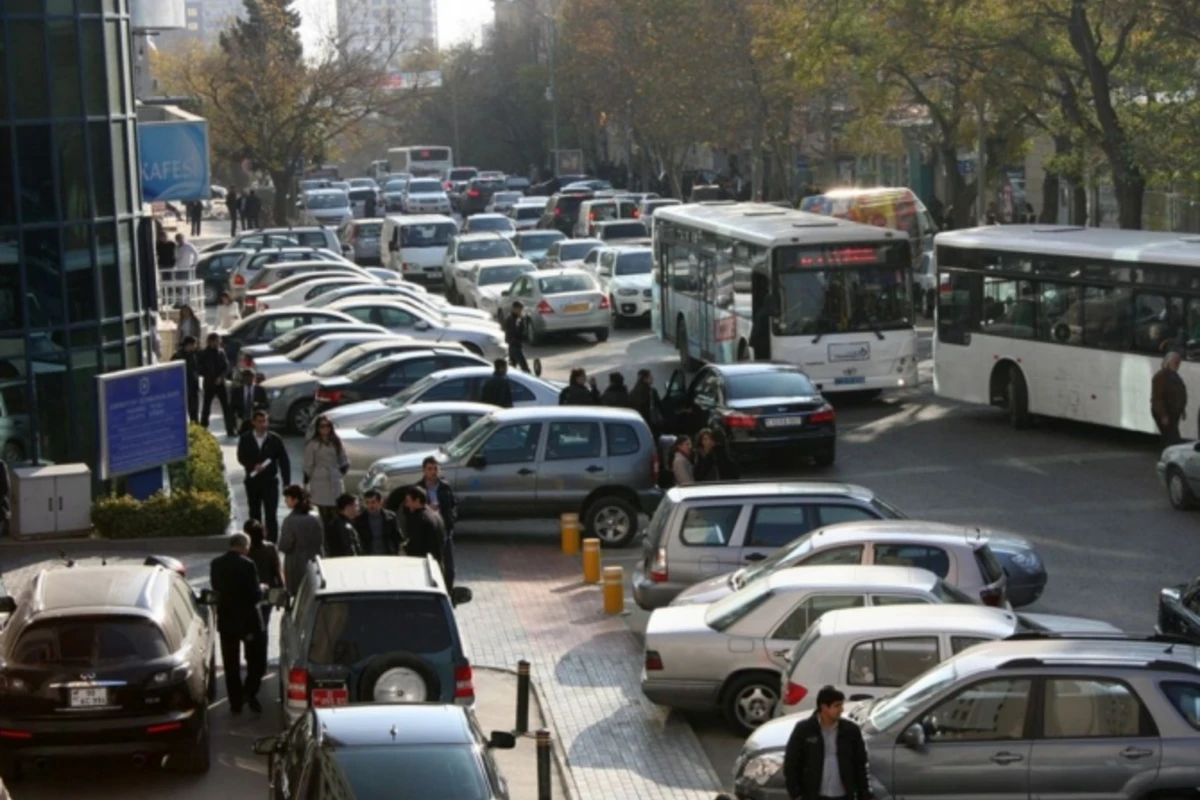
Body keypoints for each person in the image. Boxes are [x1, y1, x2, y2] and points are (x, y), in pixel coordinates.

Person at [208, 532, 266, 714]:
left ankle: (235, 702)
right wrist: (263, 589)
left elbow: (216, 589)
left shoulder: (216, 564)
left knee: (230, 663)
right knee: (256, 660)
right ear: (243, 546)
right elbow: (254, 594)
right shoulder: (247, 564)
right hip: (248, 621)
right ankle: (249, 692)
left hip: (226, 621)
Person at [783, 685, 874, 800]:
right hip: (814, 795)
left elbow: (860, 764)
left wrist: (864, 793)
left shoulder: (851, 731)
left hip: (843, 795)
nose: (841, 709)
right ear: (824, 707)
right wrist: (796, 794)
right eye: (837, 706)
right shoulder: (804, 730)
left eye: (841, 705)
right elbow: (791, 763)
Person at [237, 410, 292, 543]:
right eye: (259, 421)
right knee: (255, 513)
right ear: (253, 422)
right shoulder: (245, 438)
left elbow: (284, 461)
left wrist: (287, 483)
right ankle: (255, 541)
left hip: (270, 482)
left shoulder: (274, 439)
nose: (263, 424)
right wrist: (252, 465)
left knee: (271, 515)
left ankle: (272, 542)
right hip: (253, 481)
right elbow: (241, 457)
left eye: (265, 421)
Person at [420, 456, 458, 590]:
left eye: (435, 468)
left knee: (450, 569)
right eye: (430, 469)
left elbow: (453, 505)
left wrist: (451, 518)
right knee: (433, 567)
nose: (433, 472)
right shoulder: (419, 489)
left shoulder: (445, 487)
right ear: (424, 470)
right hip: (429, 534)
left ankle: (448, 595)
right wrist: (428, 509)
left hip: (445, 531)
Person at [304, 415, 350, 525]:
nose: (325, 428)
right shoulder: (312, 444)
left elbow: (344, 460)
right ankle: (326, 540)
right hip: (319, 481)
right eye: (322, 426)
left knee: (336, 513)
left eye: (327, 426)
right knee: (324, 516)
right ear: (317, 428)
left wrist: (340, 472)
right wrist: (306, 483)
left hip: (334, 479)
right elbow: (308, 465)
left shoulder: (336, 441)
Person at [278, 484, 324, 594]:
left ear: (295, 500)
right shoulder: (316, 516)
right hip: (315, 561)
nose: (285, 501)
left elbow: (285, 545)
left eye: (287, 498)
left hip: (296, 564)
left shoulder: (289, 521)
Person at [244, 519, 283, 635]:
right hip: (268, 591)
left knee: (251, 622)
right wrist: (281, 590)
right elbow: (277, 570)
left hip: (249, 591)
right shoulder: (270, 547)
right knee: (264, 621)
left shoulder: (246, 550)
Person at [401, 485, 446, 571]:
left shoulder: (418, 518)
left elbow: (415, 546)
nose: (407, 504)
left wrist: (404, 548)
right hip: (437, 564)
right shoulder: (435, 515)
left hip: (424, 566)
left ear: (417, 500)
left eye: (408, 500)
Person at [197, 332, 234, 437]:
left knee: (226, 407)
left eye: (219, 341)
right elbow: (200, 369)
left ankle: (230, 429)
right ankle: (203, 429)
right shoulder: (203, 354)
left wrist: (221, 377)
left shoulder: (221, 352)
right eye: (216, 341)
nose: (218, 343)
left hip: (220, 383)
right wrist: (210, 376)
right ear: (210, 341)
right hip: (209, 384)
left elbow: (227, 367)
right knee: (206, 407)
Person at [1152, 351, 1188, 447]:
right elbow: (1157, 398)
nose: (1178, 365)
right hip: (1167, 412)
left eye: (1178, 363)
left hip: (1173, 413)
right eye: (1175, 363)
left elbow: (1181, 394)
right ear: (1168, 362)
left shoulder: (1175, 377)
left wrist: (1182, 410)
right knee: (1171, 438)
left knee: (1170, 438)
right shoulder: (1161, 376)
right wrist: (1163, 415)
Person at [353, 489, 403, 555]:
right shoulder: (359, 520)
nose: (370, 506)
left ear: (380, 502)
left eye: (373, 502)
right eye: (367, 503)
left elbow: (397, 536)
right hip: (368, 556)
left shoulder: (390, 517)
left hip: (388, 554)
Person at [231, 368, 269, 435]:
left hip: (256, 420)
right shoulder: (237, 391)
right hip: (242, 420)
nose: (249, 379)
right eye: (246, 377)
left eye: (251, 377)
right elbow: (232, 407)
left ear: (254, 378)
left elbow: (266, 404)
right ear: (243, 378)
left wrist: (258, 404)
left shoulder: (260, 390)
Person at [173, 335, 201, 423]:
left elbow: (196, 370)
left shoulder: (194, 355)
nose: (195, 346)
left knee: (194, 412)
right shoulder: (178, 356)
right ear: (188, 345)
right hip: (183, 389)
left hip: (193, 389)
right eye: (193, 344)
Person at [628, 369, 663, 435]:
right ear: (645, 379)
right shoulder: (652, 392)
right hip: (650, 424)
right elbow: (660, 407)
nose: (652, 378)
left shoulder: (633, 393)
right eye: (650, 377)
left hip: (637, 423)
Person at [503, 302, 530, 373]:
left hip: (513, 345)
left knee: (512, 366)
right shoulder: (512, 319)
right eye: (519, 309)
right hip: (515, 345)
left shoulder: (515, 318)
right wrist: (522, 321)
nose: (521, 311)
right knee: (524, 367)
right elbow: (516, 332)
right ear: (514, 309)